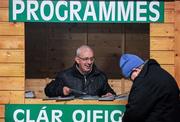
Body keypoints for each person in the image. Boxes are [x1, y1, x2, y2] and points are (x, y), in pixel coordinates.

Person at [119, 54, 180, 122]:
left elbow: (134, 112)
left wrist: (124, 119)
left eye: (130, 77)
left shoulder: (144, 80)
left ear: (135, 70)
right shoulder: (157, 72)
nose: (132, 80)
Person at [45, 45, 115, 97]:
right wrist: (60, 90)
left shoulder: (100, 76)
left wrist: (110, 95)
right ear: (77, 60)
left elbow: (111, 93)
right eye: (86, 59)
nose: (89, 62)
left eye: (91, 59)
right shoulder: (65, 76)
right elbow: (48, 90)